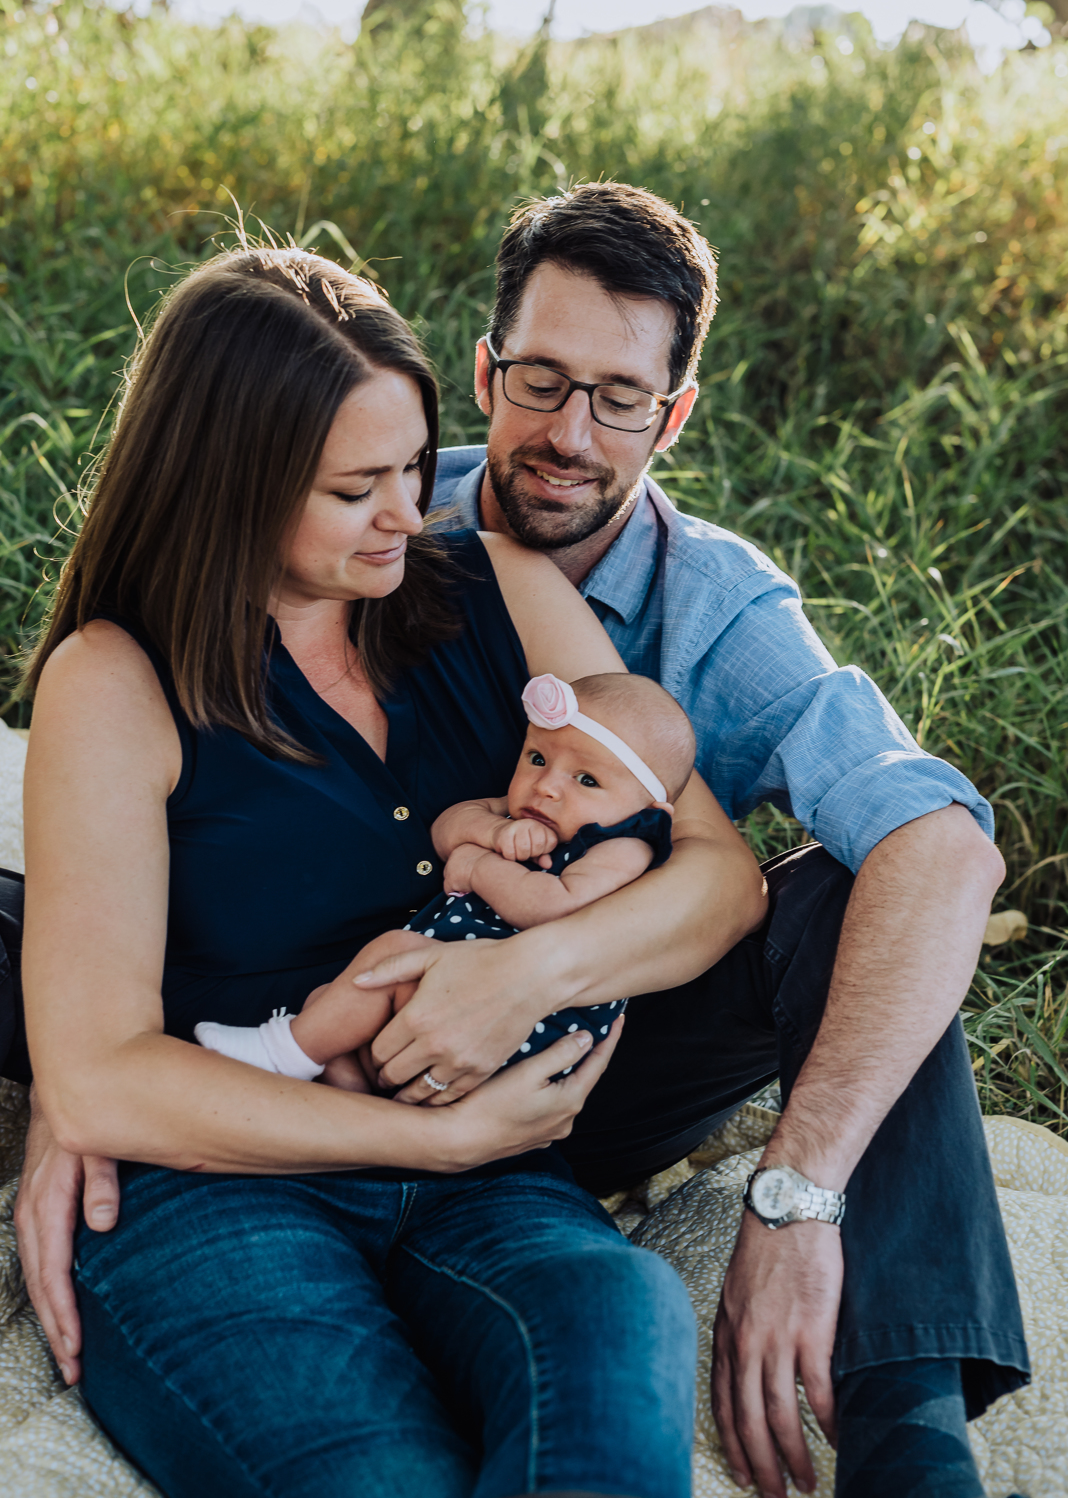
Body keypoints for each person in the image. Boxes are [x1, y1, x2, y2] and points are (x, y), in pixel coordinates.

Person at [14, 187, 1026, 1497]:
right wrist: (86, 1093)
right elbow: (103, 1056)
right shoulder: (144, 662)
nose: (405, 510)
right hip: (254, 1167)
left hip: (526, 1109)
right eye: (356, 486)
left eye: (618, 398)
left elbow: (793, 863)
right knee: (375, 1465)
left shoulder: (525, 585)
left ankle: (913, 1441)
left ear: (672, 413)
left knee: (626, 1322)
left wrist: (530, 989)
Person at [193, 670, 694, 1083]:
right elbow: (447, 828)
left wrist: (479, 865)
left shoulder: (624, 846)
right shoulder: (525, 814)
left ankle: (277, 1057)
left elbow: (555, 906)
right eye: (538, 758)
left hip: (524, 1022)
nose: (546, 787)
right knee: (330, 1002)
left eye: (586, 780)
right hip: (453, 989)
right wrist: (494, 832)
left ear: (647, 807)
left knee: (390, 957)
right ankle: (337, 1087)